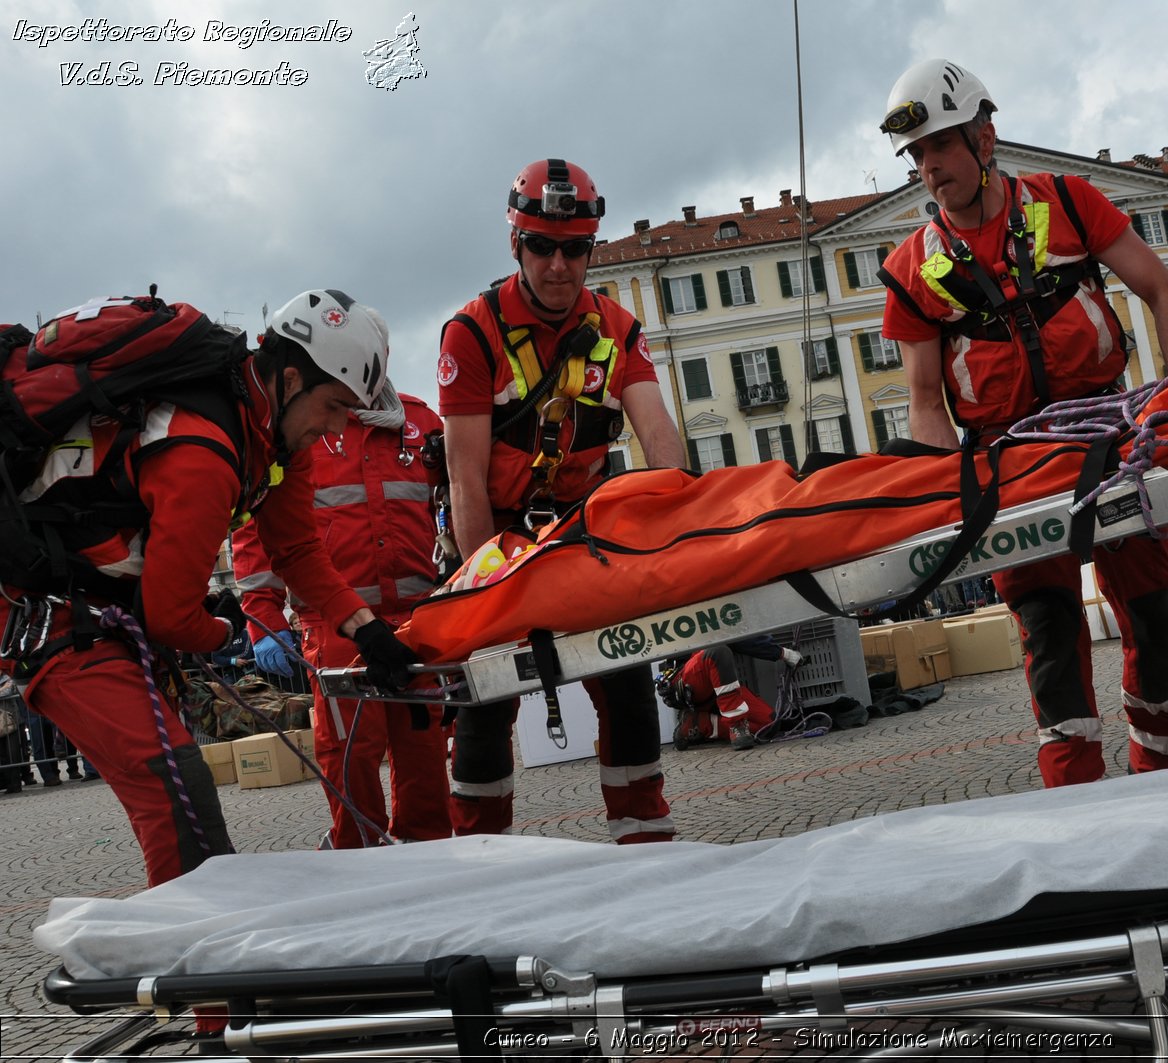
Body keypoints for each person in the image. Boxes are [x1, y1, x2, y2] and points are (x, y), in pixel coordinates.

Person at [0, 290, 418, 886]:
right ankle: (191, 953)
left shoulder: (272, 437)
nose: (334, 428)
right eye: (332, 407)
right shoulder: (203, 451)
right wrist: (224, 628)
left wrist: (367, 630)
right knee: (174, 784)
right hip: (52, 615)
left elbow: (297, 549)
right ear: (291, 377)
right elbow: (171, 616)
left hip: (106, 610)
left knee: (178, 783)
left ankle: (203, 942)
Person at [877, 59, 1168, 787]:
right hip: (1009, 466)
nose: (928, 168)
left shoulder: (1069, 202)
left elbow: (1166, 296)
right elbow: (927, 404)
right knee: (1050, 637)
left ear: (984, 138)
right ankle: (1078, 804)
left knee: (1151, 622)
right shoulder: (912, 270)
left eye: (940, 147)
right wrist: (946, 512)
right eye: (917, 156)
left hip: (1110, 439)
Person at [438, 157, 687, 841]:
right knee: (486, 703)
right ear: (514, 243)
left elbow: (660, 441)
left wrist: (678, 544)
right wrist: (485, 590)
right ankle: (483, 853)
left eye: (575, 249)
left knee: (629, 683)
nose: (558, 265)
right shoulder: (472, 333)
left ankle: (644, 838)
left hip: (583, 532)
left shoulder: (616, 328)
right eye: (542, 247)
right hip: (497, 536)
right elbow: (465, 479)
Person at [232, 381, 452, 848]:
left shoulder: (418, 422)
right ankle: (357, 852)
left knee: (424, 749)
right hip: (337, 626)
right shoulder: (304, 424)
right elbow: (257, 527)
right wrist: (264, 619)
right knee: (350, 753)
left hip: (416, 622)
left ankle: (430, 850)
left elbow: (457, 499)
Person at [661, 638, 806, 751]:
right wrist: (784, 654)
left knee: (768, 726)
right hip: (685, 677)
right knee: (717, 652)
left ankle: (701, 724)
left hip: (720, 687)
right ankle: (737, 726)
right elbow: (740, 635)